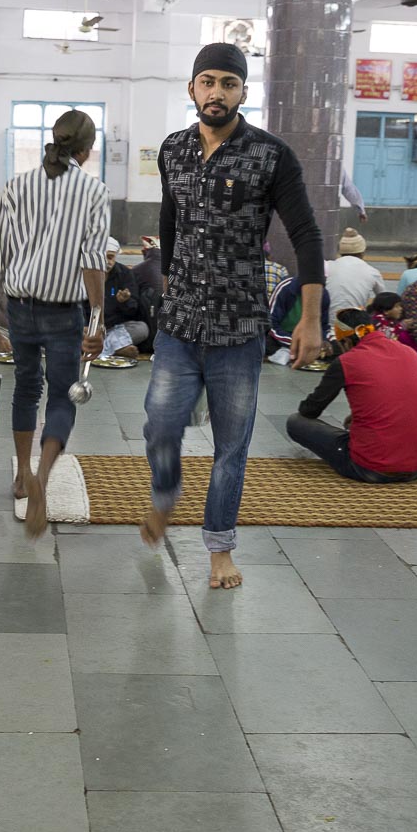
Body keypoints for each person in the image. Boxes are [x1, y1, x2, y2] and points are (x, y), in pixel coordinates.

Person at [141, 42, 324, 590]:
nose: (216, 92)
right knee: (159, 426)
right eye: (208, 81)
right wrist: (168, 278)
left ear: (244, 91)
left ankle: (219, 547)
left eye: (228, 82)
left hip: (239, 329)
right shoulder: (173, 150)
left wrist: (310, 317)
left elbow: (306, 234)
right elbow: (169, 217)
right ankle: (165, 493)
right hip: (178, 325)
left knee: (231, 447)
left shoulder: (271, 155)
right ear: (192, 88)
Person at [0, 109, 109, 537]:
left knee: (26, 388)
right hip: (64, 313)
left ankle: (23, 474)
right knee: (62, 395)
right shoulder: (94, 192)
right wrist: (97, 320)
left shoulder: (16, 186)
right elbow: (93, 261)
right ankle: (43, 474)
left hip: (19, 309)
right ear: (87, 150)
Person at [286, 308, 417, 483]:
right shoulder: (410, 353)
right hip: (416, 467)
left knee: (296, 422)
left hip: (369, 468)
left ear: (346, 341)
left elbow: (310, 410)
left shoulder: (348, 361)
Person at [324, 228, 385, 328]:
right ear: (363, 252)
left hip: (326, 325)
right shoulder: (372, 272)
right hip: (356, 326)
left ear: (340, 251)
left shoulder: (327, 266)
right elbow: (383, 299)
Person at [99, 237, 148, 358]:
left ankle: (100, 348)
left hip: (114, 328)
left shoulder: (124, 273)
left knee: (142, 329)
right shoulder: (88, 272)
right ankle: (117, 347)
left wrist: (124, 301)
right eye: (103, 257)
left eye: (110, 257)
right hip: (90, 327)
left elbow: (133, 310)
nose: (107, 262)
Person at [267, 275, 330, 358]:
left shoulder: (323, 294)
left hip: (307, 341)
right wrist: (297, 342)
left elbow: (324, 326)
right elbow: (270, 325)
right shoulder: (285, 288)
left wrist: (323, 340)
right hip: (281, 339)